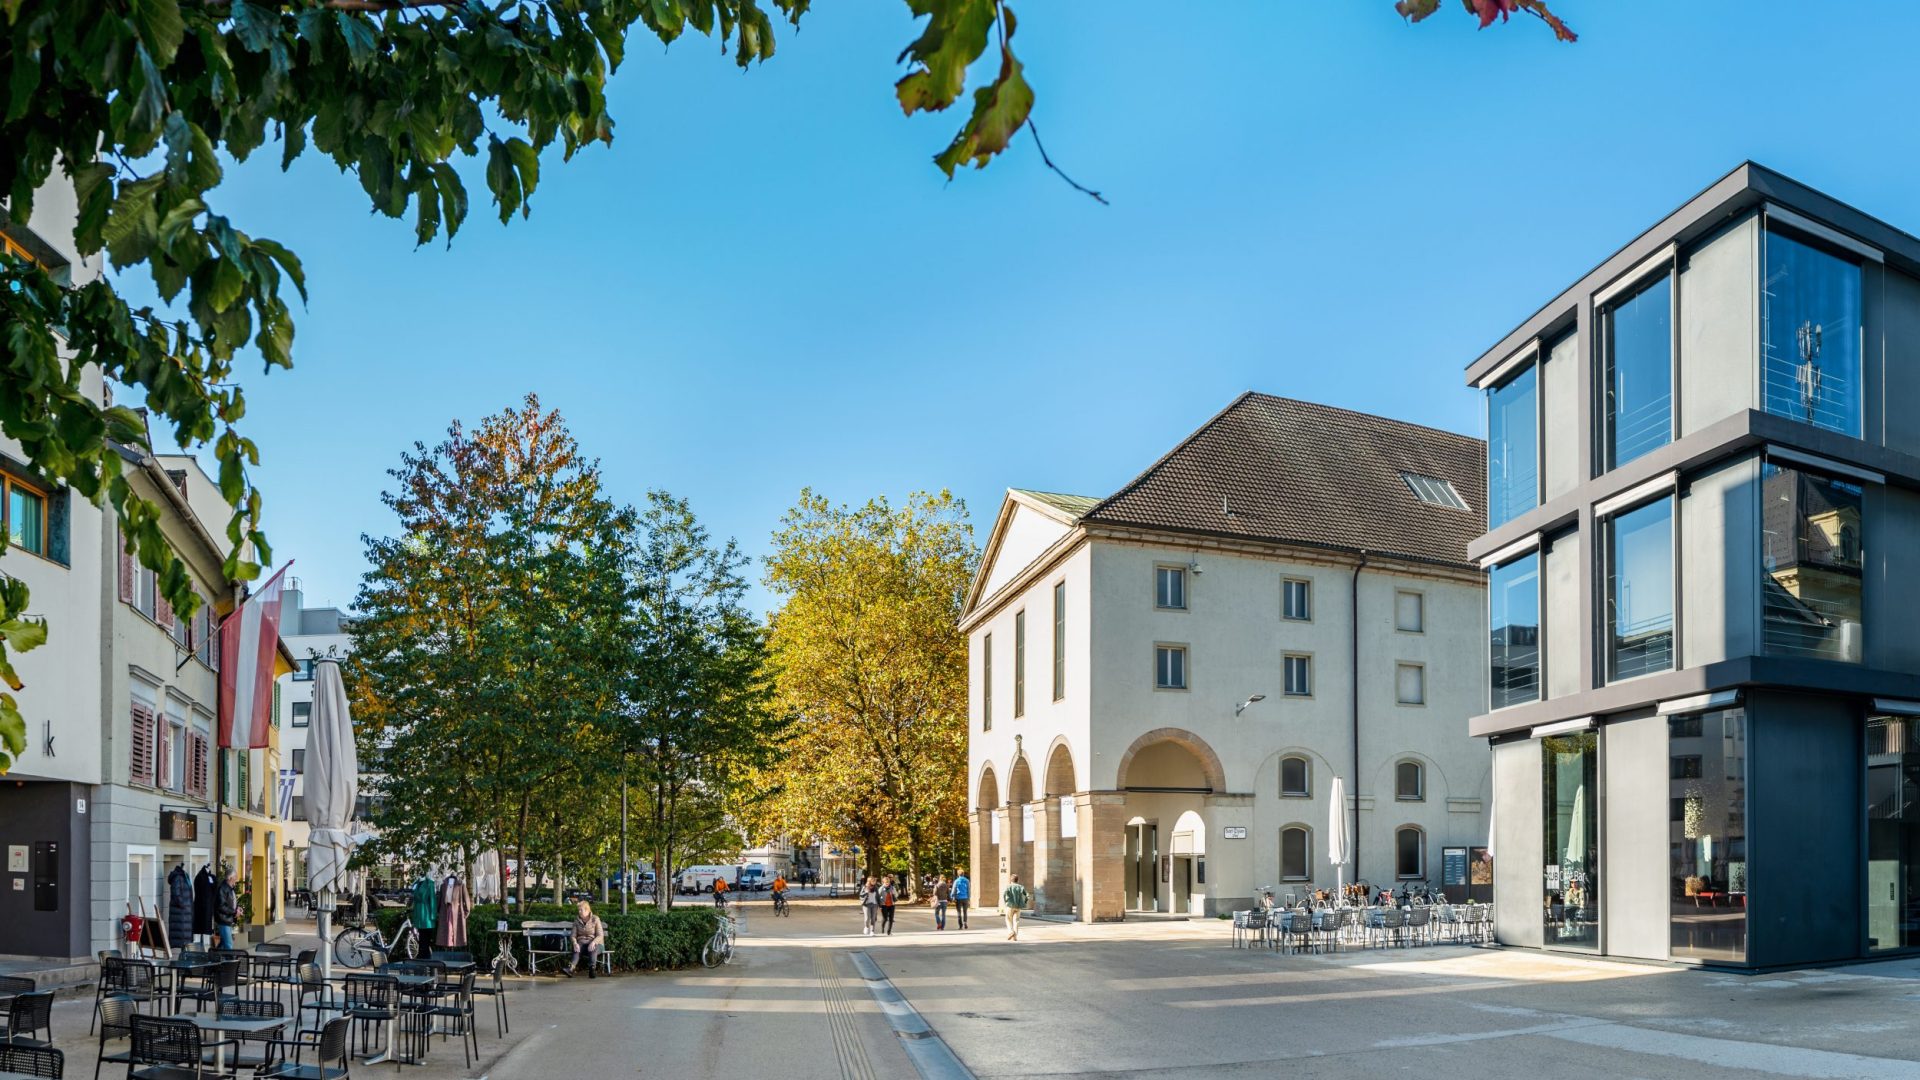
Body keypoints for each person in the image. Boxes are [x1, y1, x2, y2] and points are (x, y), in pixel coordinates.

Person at [568, 899, 604, 979]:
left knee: (592, 948)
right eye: (579, 910)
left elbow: (600, 935)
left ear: (587, 910)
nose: (579, 912)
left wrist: (593, 942)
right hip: (582, 943)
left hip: (596, 943)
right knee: (577, 948)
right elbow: (573, 935)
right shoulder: (577, 920)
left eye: (581, 910)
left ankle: (592, 969)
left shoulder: (595, 919)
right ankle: (571, 968)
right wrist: (574, 943)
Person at [214, 865, 239, 949]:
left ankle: (214, 958)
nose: (236, 878)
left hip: (227, 920)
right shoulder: (223, 888)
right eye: (235, 876)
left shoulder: (229, 888)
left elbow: (231, 903)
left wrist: (237, 909)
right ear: (230, 878)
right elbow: (221, 906)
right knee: (228, 945)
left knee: (223, 944)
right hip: (223, 920)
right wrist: (234, 912)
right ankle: (230, 961)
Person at [1002, 873, 1029, 941]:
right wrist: (1024, 902)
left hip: (1010, 905)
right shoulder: (1021, 887)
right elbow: (1027, 895)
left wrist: (1006, 902)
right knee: (1016, 921)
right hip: (1018, 906)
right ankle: (1015, 937)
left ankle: (1011, 932)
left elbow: (1004, 894)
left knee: (1008, 919)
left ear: (1011, 880)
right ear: (1017, 880)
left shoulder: (1009, 886)